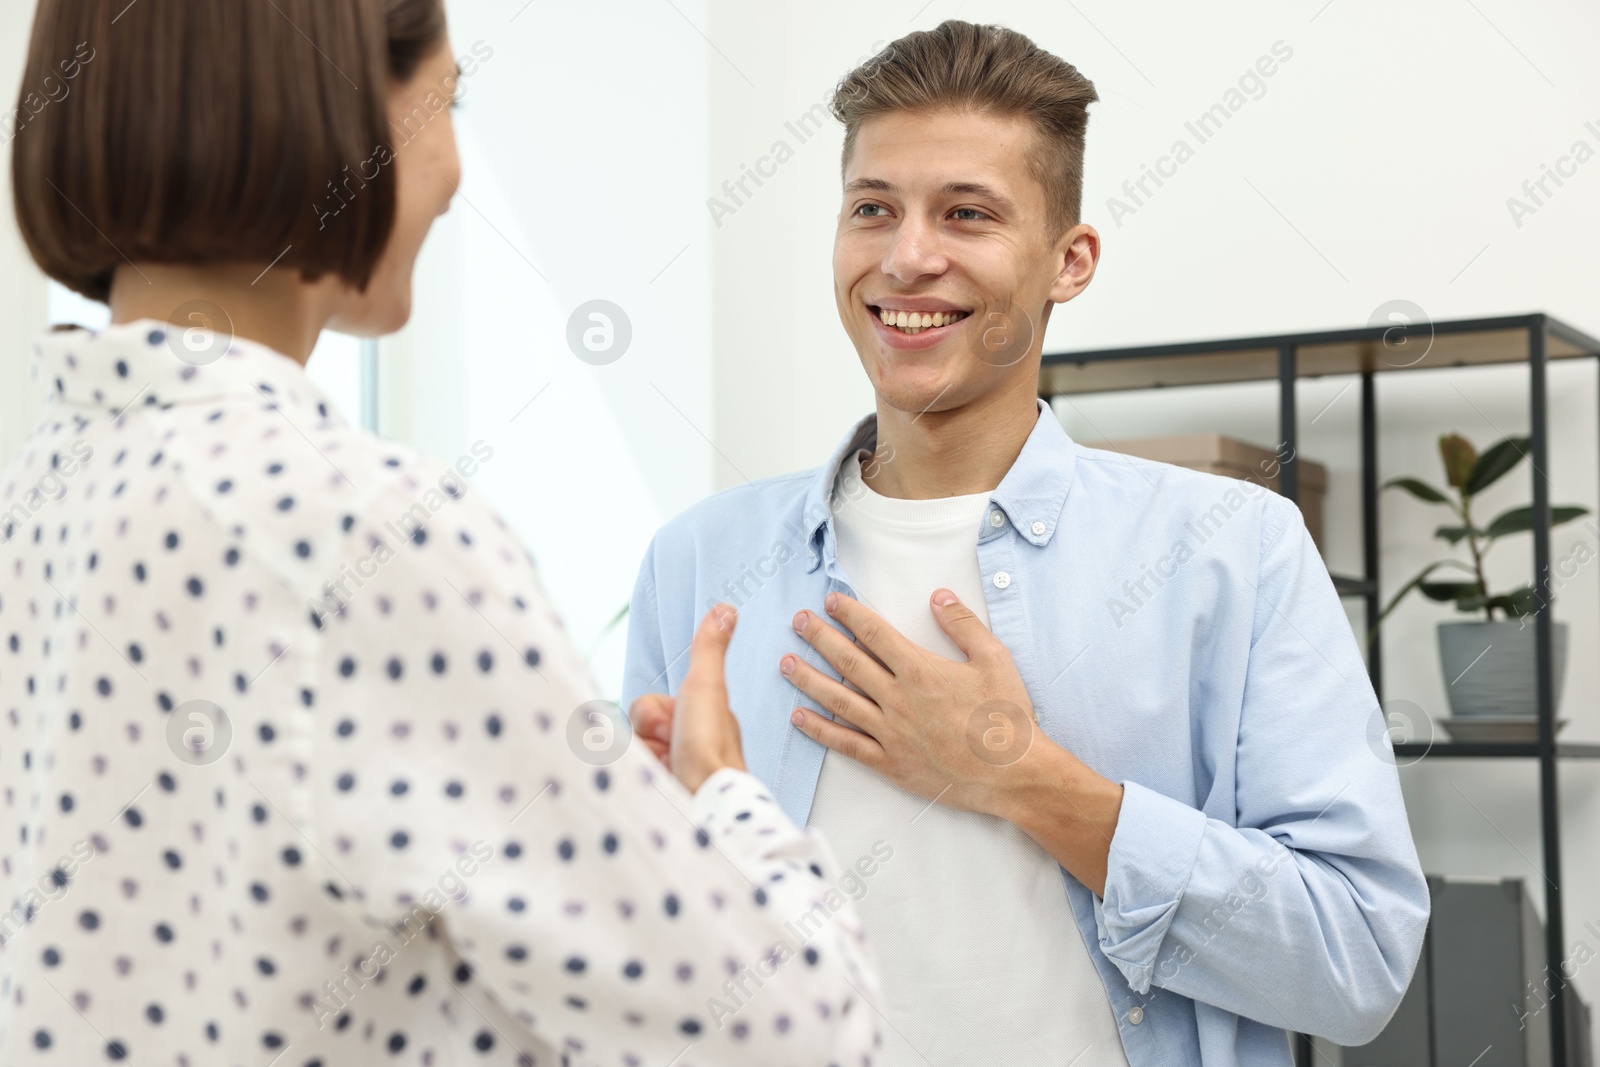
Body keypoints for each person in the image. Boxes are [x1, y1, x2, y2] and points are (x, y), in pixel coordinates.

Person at [0, 2, 881, 1064]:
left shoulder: (42, 497)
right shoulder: (353, 534)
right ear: (329, 104)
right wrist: (726, 803)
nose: (458, 172)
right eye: (446, 102)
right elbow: (791, 1032)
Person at [625, 19, 1429, 1067]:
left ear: (1069, 260)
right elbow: (630, 958)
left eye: (968, 214)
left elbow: (1355, 955)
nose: (908, 257)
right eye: (873, 208)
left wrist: (1020, 775)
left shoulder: (1233, 550)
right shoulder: (696, 559)